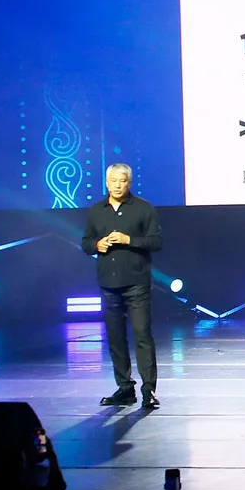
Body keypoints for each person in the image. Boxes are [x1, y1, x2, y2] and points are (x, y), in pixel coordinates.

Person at [80, 163, 163, 409]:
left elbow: (156, 242)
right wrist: (97, 245)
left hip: (136, 283)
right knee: (116, 338)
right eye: (113, 181)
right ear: (107, 182)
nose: (117, 185)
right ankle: (125, 388)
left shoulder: (143, 208)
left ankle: (149, 391)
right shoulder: (97, 210)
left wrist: (129, 240)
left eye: (122, 181)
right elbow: (85, 242)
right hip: (109, 283)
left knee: (142, 335)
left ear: (129, 183)